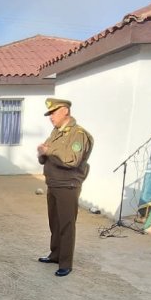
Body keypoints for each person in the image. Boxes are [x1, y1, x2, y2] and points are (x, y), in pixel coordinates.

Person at [36, 97, 94, 277]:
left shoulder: (78, 134)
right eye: (50, 114)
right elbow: (45, 154)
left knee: (66, 224)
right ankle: (55, 255)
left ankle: (65, 262)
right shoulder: (56, 132)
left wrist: (48, 151)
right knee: (55, 222)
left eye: (53, 113)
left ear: (65, 111)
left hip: (67, 186)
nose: (51, 117)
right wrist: (42, 153)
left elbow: (72, 159)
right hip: (53, 183)